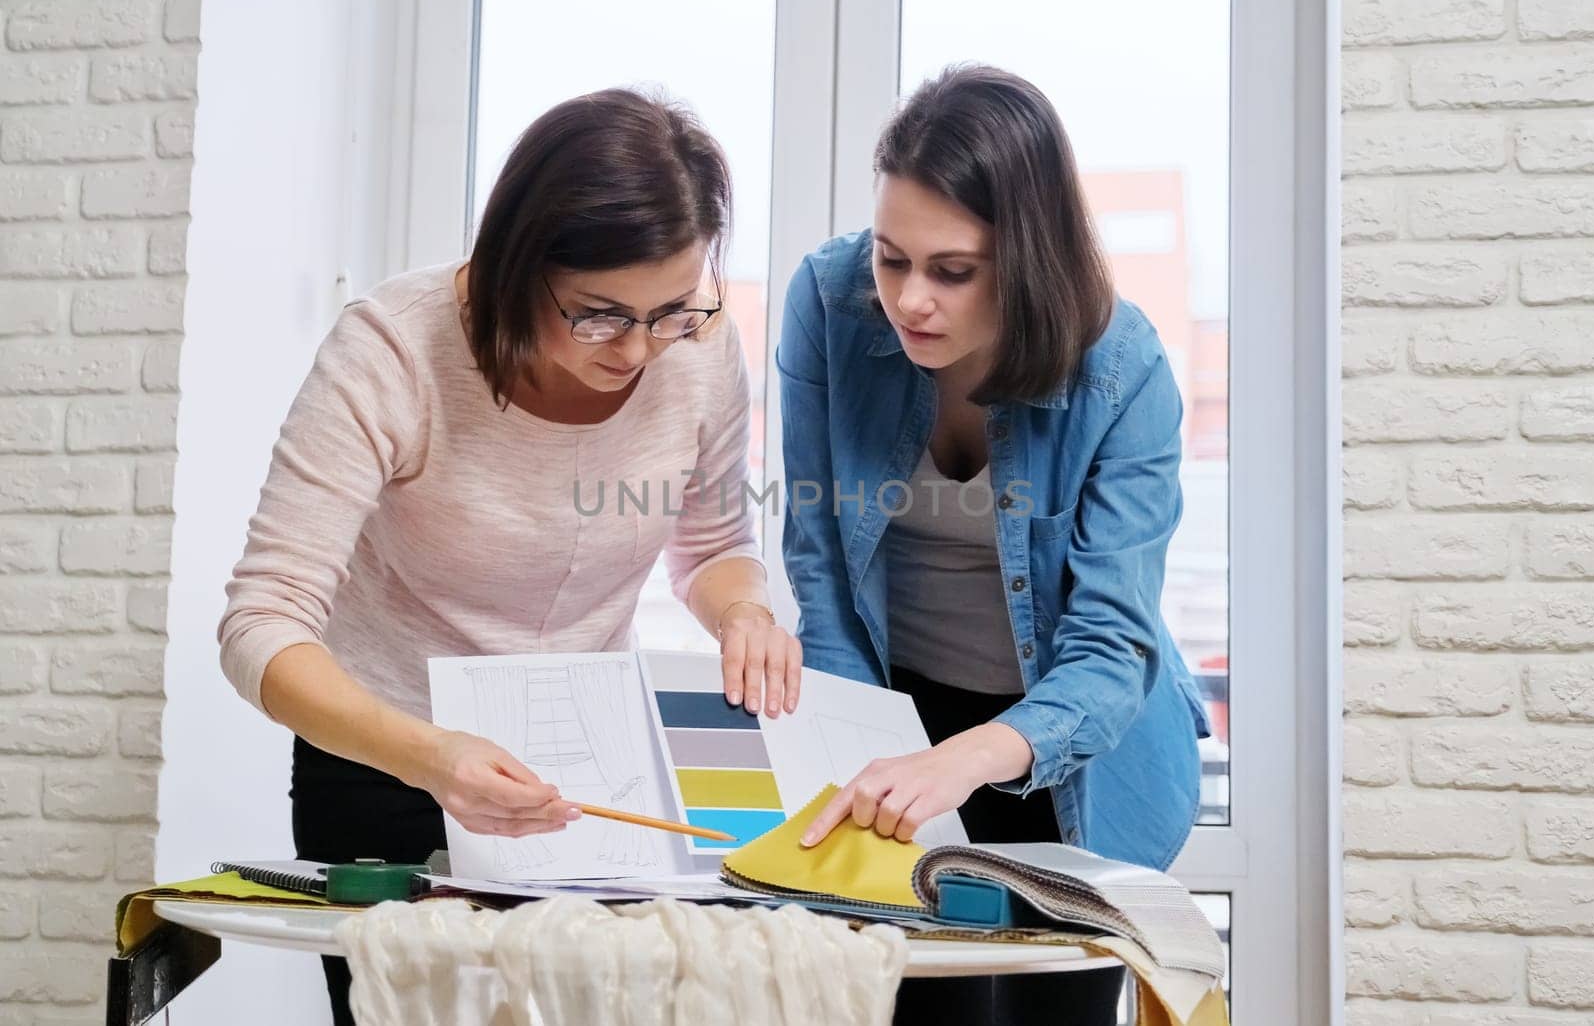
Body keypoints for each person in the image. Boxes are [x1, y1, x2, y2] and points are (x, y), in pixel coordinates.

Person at [218, 88, 801, 1025]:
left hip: (583, 773)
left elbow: (714, 544)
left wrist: (744, 612)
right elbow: (261, 623)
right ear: (515, 266)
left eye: (674, 311)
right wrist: (432, 757)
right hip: (389, 765)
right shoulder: (394, 350)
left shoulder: (696, 352)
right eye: (603, 315)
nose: (642, 350)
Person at [778, 64, 1211, 1026]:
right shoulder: (829, 304)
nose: (908, 300)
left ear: (1028, 258)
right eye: (892, 258)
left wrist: (964, 759)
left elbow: (1109, 651)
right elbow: (822, 570)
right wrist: (872, 745)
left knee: (1049, 1005)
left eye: (952, 270)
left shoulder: (1122, 368)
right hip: (897, 719)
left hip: (1072, 749)